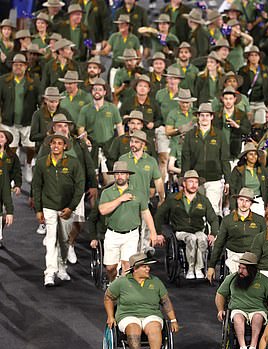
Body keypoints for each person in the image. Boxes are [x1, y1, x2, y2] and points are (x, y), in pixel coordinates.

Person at [104, 252, 179, 349]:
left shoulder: (155, 282)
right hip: (127, 315)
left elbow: (165, 301)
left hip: (151, 314)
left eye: (148, 266)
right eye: (145, 266)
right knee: (133, 327)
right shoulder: (121, 282)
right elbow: (108, 297)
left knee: (154, 327)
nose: (148, 268)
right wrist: (110, 316)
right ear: (135, 269)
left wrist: (173, 320)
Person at [32, 134, 85, 286]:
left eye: (59, 143)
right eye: (53, 143)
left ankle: (62, 268)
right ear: (49, 145)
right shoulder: (42, 163)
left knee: (64, 240)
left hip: (66, 208)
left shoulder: (73, 163)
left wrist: (71, 207)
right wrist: (38, 209)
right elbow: (36, 186)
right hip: (48, 206)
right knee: (50, 240)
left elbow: (80, 186)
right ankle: (49, 273)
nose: (56, 145)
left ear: (65, 146)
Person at [98, 161, 158, 283]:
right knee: (110, 268)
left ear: (128, 175)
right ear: (114, 176)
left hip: (131, 234)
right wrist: (120, 199)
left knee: (127, 265)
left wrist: (153, 232)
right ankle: (112, 282)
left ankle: (122, 291)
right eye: (117, 174)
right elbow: (103, 210)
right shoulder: (107, 192)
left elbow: (146, 213)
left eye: (123, 173)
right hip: (113, 234)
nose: (120, 176)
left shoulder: (138, 193)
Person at [154, 170, 219, 280]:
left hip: (198, 230)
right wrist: (159, 233)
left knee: (202, 239)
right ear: (184, 183)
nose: (194, 185)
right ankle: (190, 268)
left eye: (196, 182)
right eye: (191, 182)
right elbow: (159, 215)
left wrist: (213, 233)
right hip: (181, 231)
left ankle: (199, 268)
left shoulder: (203, 200)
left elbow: (213, 218)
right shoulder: (173, 199)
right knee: (191, 239)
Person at [215, 252, 268, 349]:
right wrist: (220, 310)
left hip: (258, 310)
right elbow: (220, 294)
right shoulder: (231, 279)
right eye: (239, 267)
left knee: (257, 317)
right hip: (237, 309)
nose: (240, 271)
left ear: (252, 269)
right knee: (237, 317)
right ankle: (243, 347)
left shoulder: (264, 281)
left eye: (244, 268)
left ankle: (253, 347)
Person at [180, 102, 230, 215]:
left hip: (215, 179)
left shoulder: (220, 135)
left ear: (212, 117)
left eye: (207, 115)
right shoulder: (190, 135)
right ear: (198, 117)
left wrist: (228, 180)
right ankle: (200, 233)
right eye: (202, 115)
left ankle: (213, 233)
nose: (204, 118)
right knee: (197, 210)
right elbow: (185, 159)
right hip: (195, 179)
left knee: (213, 210)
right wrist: (184, 178)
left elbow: (224, 158)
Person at [208, 188, 267, 282]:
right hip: (234, 254)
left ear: (251, 203)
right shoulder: (227, 220)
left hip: (253, 256)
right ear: (237, 200)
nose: (244, 204)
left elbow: (265, 242)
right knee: (237, 276)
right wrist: (211, 266)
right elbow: (219, 243)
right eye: (241, 200)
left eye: (247, 201)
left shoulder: (259, 220)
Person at [0, 54, 40, 183]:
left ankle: (28, 165)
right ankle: (13, 171)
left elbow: (39, 100)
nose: (18, 67)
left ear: (26, 66)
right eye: (15, 64)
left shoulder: (33, 82)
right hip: (9, 122)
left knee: (31, 148)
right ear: (12, 66)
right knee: (11, 149)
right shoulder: (3, 81)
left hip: (28, 122)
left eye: (21, 65)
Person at [228, 142, 268, 217]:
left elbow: (266, 187)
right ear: (245, 157)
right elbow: (232, 189)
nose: (254, 156)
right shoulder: (238, 170)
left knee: (257, 224)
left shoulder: (262, 170)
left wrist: (266, 204)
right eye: (251, 154)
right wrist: (233, 207)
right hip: (243, 201)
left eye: (255, 154)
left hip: (258, 200)